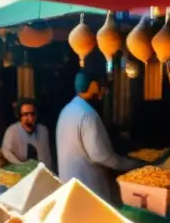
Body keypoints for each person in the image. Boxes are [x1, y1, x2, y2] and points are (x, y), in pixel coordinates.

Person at [56, 71, 140, 203]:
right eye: (101, 86)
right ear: (93, 86)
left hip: (69, 189)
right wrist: (135, 165)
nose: (103, 91)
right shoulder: (87, 115)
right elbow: (101, 156)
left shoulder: (67, 110)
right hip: (88, 192)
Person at [1, 98, 54, 170]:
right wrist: (21, 166)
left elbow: (46, 158)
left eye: (32, 114)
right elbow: (6, 151)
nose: (30, 118)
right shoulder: (12, 131)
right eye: (25, 114)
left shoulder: (43, 131)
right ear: (19, 116)